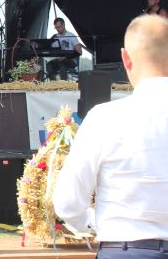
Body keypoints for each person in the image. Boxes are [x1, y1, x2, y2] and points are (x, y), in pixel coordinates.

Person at [53, 14, 168, 257]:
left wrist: (95, 222)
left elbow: (67, 203)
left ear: (125, 58)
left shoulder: (103, 118)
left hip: (124, 248)